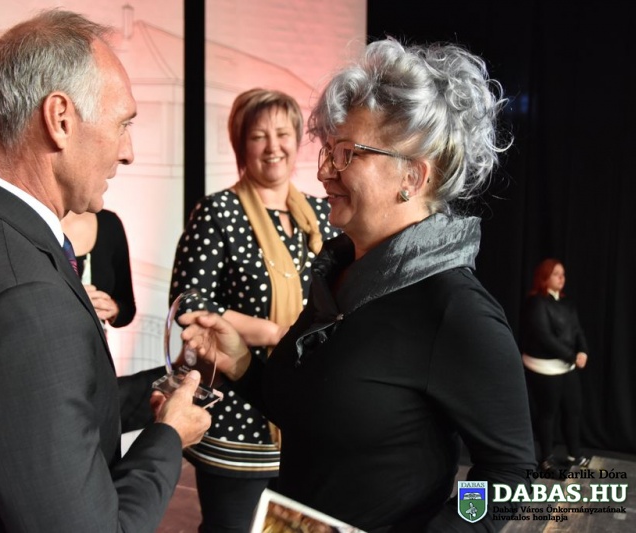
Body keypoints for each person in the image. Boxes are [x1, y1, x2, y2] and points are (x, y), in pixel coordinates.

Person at [179, 38, 536, 531]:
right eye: (328, 150)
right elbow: (304, 408)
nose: (324, 171)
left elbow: (511, 474)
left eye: (347, 153)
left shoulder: (455, 309)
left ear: (412, 176)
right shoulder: (340, 277)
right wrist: (241, 363)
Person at [0, 10, 210, 532]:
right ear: (60, 118)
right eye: (122, 124)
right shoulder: (25, 297)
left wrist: (159, 391)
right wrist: (168, 437)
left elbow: (31, 408)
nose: (128, 152)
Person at [169, 88, 338, 532]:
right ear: (241, 145)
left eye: (283, 134)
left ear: (297, 139)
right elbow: (190, 303)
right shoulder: (218, 212)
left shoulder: (322, 214)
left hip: (306, 416)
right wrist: (273, 333)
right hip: (238, 419)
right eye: (258, 136)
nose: (272, 146)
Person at [520, 259, 590, 477]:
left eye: (563, 274)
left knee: (573, 410)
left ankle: (574, 454)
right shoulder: (536, 303)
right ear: (545, 277)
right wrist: (572, 356)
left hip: (567, 366)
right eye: (556, 274)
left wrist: (583, 351)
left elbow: (577, 330)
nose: (562, 278)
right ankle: (546, 459)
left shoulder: (567, 303)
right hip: (544, 367)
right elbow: (544, 337)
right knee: (547, 413)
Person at [61, 209, 137, 328]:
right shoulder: (36, 221)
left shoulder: (109, 223)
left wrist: (112, 308)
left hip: (91, 338)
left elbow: (127, 308)